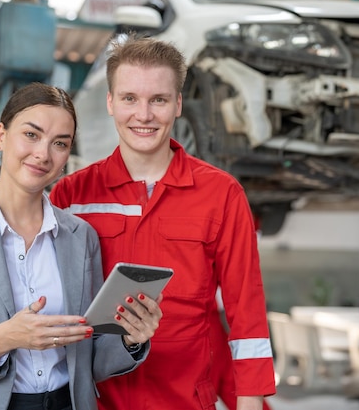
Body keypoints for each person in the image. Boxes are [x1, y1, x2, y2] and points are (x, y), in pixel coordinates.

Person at [0, 82, 163, 410]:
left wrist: (130, 337)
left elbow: (87, 360)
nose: (43, 154)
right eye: (31, 134)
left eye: (59, 143)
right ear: (1, 135)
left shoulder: (81, 237)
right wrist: (3, 339)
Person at [50, 34, 276, 410]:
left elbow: (246, 314)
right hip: (97, 402)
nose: (143, 115)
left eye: (158, 99)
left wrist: (250, 403)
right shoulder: (72, 197)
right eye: (129, 99)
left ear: (178, 105)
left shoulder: (221, 195)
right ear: (110, 102)